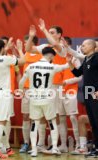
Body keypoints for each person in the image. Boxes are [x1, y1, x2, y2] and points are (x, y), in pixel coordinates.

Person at [25, 19, 67, 153]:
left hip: (56, 86)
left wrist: (43, 29)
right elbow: (28, 49)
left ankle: (61, 145)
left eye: (52, 32)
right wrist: (31, 36)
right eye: (49, 32)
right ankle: (40, 143)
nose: (50, 34)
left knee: (56, 116)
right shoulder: (45, 47)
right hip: (44, 87)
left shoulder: (61, 47)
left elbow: (54, 43)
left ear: (59, 35)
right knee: (40, 117)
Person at [19, 47, 69, 157]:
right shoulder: (52, 66)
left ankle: (34, 150)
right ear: (51, 55)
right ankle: (55, 148)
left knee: (34, 124)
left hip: (34, 99)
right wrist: (70, 60)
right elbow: (67, 66)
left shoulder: (31, 66)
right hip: (47, 99)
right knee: (52, 122)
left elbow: (22, 82)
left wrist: (22, 91)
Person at [68, 39, 98, 159]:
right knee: (93, 122)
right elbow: (77, 73)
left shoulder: (97, 57)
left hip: (96, 93)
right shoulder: (87, 58)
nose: (82, 47)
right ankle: (96, 149)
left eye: (84, 45)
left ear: (92, 47)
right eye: (81, 45)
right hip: (87, 94)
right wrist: (70, 63)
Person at [58, 36, 82, 152]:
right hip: (59, 92)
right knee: (61, 118)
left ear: (69, 46)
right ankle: (63, 145)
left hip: (71, 91)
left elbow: (80, 76)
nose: (61, 47)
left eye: (63, 45)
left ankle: (78, 144)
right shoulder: (57, 58)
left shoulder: (74, 59)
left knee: (72, 117)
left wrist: (67, 82)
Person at [19, 35, 43, 153]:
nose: (25, 45)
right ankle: (26, 142)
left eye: (26, 42)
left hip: (38, 89)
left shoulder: (40, 54)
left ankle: (39, 143)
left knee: (38, 117)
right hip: (26, 89)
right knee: (25, 116)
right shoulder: (26, 55)